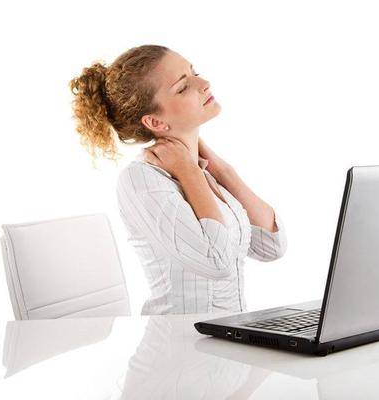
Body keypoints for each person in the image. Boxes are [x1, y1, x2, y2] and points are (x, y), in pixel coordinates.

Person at [69, 44, 287, 314]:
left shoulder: (207, 172)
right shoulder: (141, 180)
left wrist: (222, 171)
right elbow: (217, 262)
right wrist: (189, 172)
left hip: (227, 335)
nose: (204, 84)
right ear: (156, 122)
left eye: (195, 73)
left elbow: (271, 247)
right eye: (183, 87)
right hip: (180, 338)